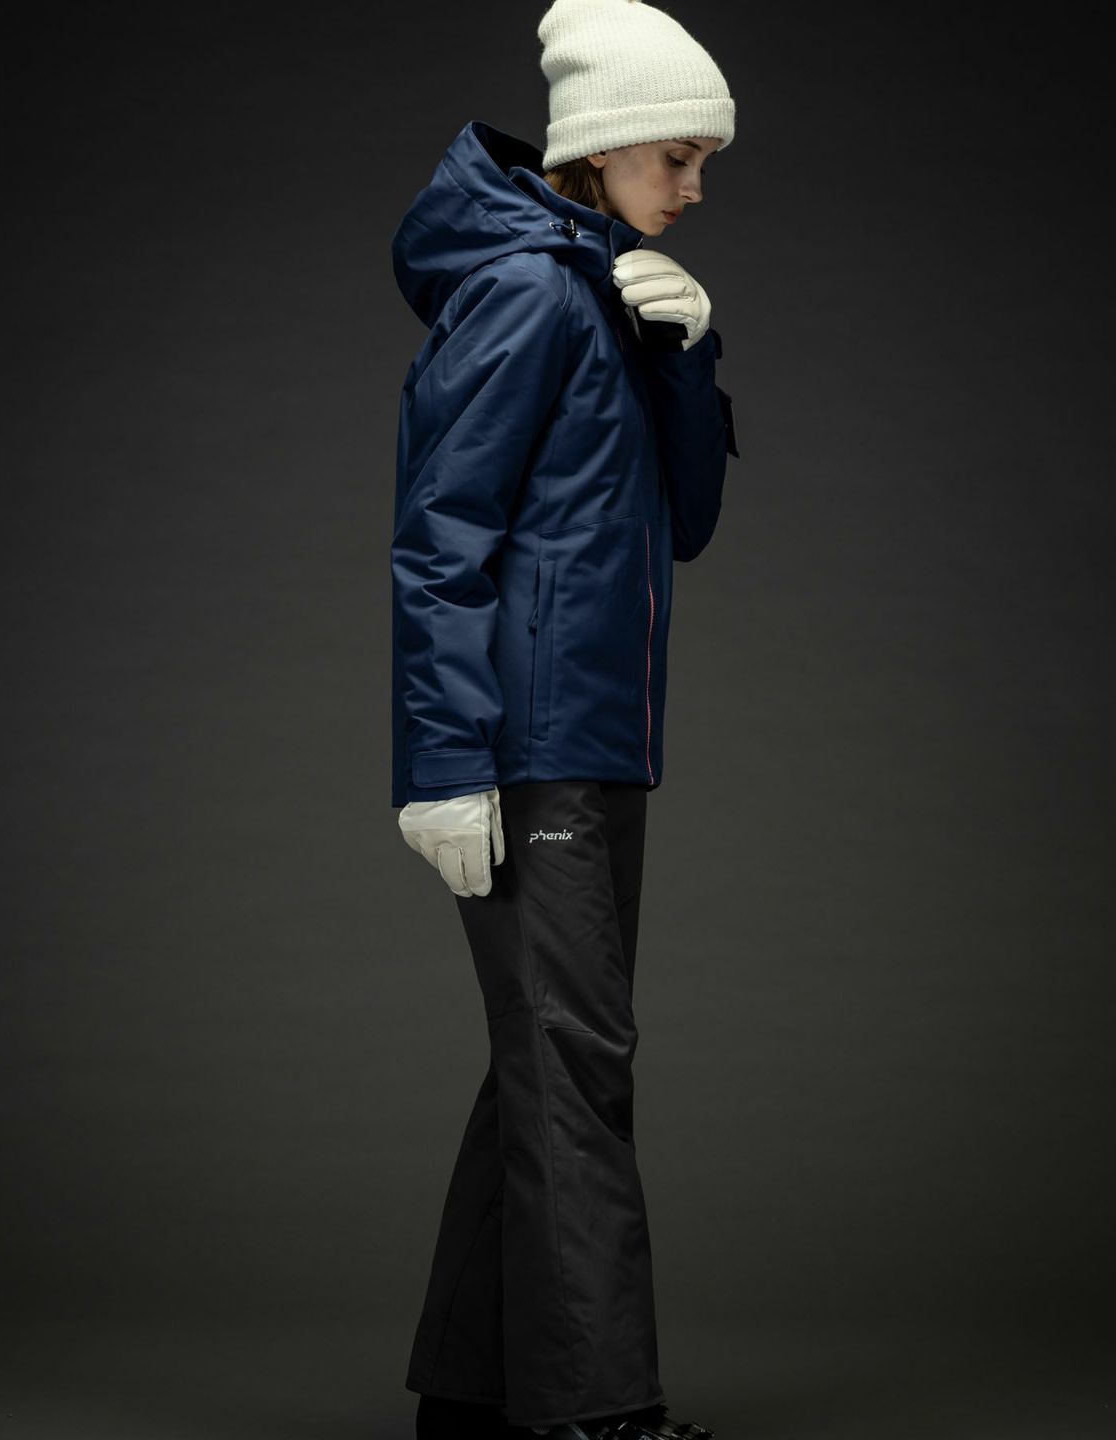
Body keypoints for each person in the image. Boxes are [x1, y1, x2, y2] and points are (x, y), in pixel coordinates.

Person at [389, 3, 740, 1436]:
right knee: (575, 1065)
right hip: (527, 749)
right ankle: (598, 1415)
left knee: (547, 1059)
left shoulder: (613, 294)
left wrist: (686, 357)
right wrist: (442, 765)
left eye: (706, 162)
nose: (696, 188)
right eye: (677, 157)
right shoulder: (532, 295)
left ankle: (472, 1393)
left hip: (597, 741)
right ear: (598, 151)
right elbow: (439, 538)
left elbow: (686, 525)